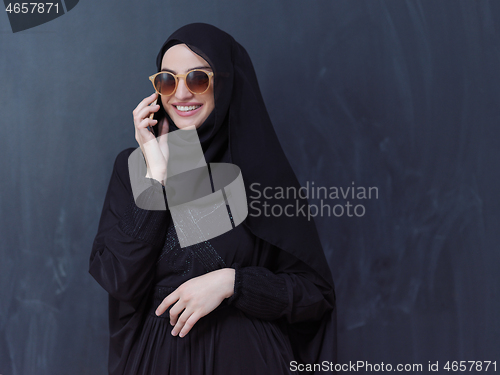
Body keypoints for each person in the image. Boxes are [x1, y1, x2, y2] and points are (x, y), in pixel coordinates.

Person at [90, 23, 337, 375]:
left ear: (225, 82)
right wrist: (159, 176)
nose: (181, 94)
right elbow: (120, 280)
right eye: (167, 80)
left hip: (249, 360)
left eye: (197, 79)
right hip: (159, 362)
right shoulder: (134, 168)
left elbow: (314, 295)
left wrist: (232, 283)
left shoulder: (261, 172)